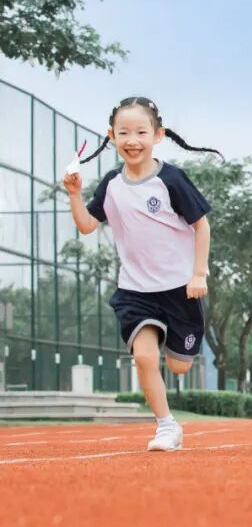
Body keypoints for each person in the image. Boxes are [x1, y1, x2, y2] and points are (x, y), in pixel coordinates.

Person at [63, 97, 219, 451]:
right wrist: (74, 195)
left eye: (141, 132)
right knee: (145, 357)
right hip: (134, 290)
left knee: (179, 367)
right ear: (111, 136)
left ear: (158, 135)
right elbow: (87, 225)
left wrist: (199, 274)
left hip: (180, 289)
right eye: (123, 133)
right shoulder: (111, 184)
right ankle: (166, 426)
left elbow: (202, 226)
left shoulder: (171, 179)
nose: (132, 140)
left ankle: (176, 347)